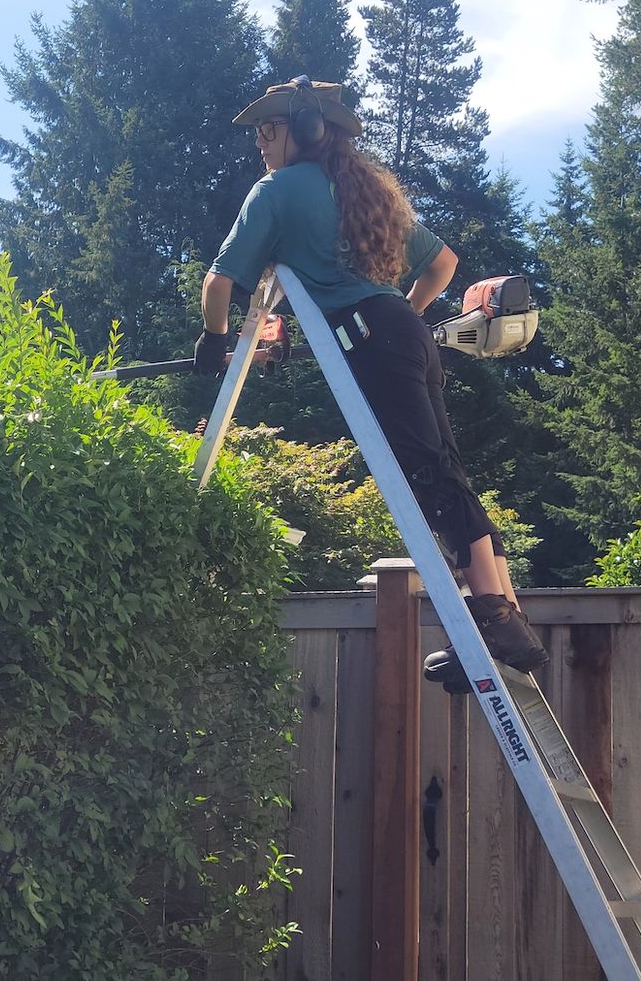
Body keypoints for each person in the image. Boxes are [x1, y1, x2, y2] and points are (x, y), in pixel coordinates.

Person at [200, 76, 547, 680]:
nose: (259, 142)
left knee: (425, 474)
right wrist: (402, 317)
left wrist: (214, 338)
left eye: (268, 130)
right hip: (404, 335)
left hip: (372, 339)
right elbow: (442, 265)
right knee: (444, 468)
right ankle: (505, 618)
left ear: (304, 131)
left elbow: (220, 283)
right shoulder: (361, 189)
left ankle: (491, 617)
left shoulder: (276, 191)